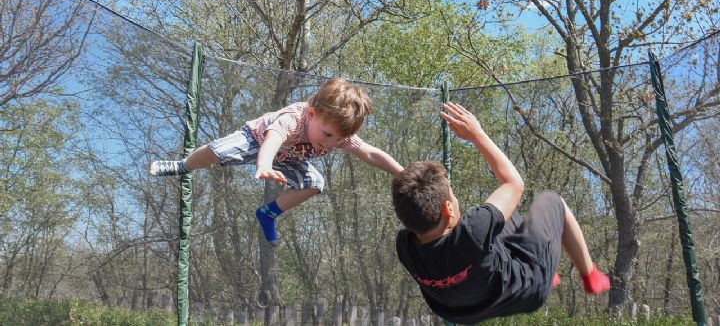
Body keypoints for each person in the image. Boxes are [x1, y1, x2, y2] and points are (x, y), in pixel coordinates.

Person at [391, 102, 610, 324]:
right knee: (552, 201)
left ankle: (539, 258)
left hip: (460, 312)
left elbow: (414, 204)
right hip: (528, 291)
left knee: (506, 216)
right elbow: (514, 183)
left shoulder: (405, 246)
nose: (455, 198)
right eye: (452, 195)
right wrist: (477, 135)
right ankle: (590, 275)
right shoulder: (473, 232)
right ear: (447, 209)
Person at [150, 78, 403, 246]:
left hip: (290, 157)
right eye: (326, 135)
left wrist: (401, 172)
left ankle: (268, 213)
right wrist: (264, 165)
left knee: (315, 182)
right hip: (257, 141)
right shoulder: (294, 118)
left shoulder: (337, 136)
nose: (329, 143)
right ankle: (182, 166)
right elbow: (273, 138)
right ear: (313, 114)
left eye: (338, 139)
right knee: (217, 152)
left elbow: (370, 153)